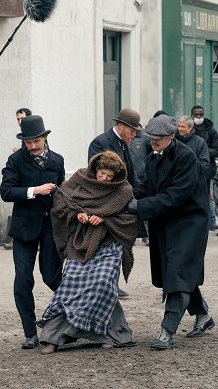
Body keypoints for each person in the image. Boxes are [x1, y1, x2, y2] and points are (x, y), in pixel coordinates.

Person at [38, 151, 140, 353]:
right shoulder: (79, 180)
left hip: (110, 244)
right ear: (95, 169)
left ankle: (107, 334)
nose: (105, 179)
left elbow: (130, 218)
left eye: (110, 176)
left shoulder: (123, 190)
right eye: (102, 173)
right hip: (81, 243)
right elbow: (60, 205)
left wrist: (105, 219)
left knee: (103, 284)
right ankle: (53, 336)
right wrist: (77, 215)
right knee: (71, 283)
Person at [130, 114, 214, 350]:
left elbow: (176, 195)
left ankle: (167, 330)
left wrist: (141, 207)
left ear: (171, 136)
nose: (152, 142)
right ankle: (204, 315)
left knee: (177, 272)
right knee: (178, 272)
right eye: (150, 138)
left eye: (157, 138)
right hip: (166, 222)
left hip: (189, 223)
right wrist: (127, 196)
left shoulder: (186, 157)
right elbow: (147, 188)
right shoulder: (153, 156)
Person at [0, 115, 65, 349]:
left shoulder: (57, 160)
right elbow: (6, 192)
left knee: (52, 277)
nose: (33, 146)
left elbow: (61, 194)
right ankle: (30, 333)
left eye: (37, 141)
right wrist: (34, 190)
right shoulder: (15, 160)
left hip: (49, 227)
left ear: (45, 137)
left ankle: (76, 317)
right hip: (24, 227)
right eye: (29, 142)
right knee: (23, 280)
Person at [88, 107, 141, 297]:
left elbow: (130, 173)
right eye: (132, 130)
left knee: (119, 243)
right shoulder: (101, 142)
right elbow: (95, 176)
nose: (134, 134)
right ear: (120, 125)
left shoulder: (124, 143)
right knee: (104, 245)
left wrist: (136, 192)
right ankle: (104, 283)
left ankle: (113, 282)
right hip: (106, 204)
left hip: (123, 202)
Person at [191, 105, 218, 230]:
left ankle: (211, 220)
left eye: (201, 114)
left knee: (207, 196)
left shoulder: (211, 131)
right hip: (190, 170)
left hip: (207, 170)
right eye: (196, 114)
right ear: (192, 115)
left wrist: (203, 151)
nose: (199, 117)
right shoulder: (189, 129)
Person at [4, 107, 32, 251]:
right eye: (18, 119)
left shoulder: (34, 133)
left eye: (22, 118)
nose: (20, 122)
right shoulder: (22, 137)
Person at [176, 115, 212, 181]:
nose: (179, 129)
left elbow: (204, 165)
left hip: (193, 182)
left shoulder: (200, 142)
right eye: (178, 126)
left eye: (183, 126)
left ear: (190, 128)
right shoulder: (174, 141)